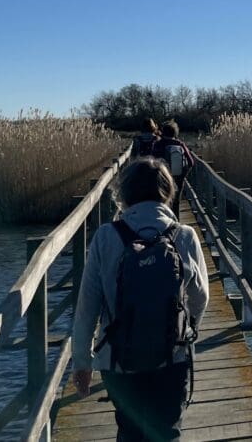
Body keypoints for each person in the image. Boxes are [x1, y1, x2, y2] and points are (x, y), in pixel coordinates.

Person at [72, 157, 210, 442]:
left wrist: (82, 363)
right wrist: (184, 329)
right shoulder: (184, 235)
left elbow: (87, 308)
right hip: (172, 357)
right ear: (167, 190)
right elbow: (201, 296)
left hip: (120, 360)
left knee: (130, 431)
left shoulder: (105, 237)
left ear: (124, 192)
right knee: (167, 431)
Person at [151, 121, 195, 204]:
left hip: (162, 178)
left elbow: (152, 162)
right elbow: (191, 162)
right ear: (175, 132)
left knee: (164, 202)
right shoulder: (180, 144)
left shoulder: (158, 144)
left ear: (163, 132)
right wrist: (183, 174)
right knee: (176, 202)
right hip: (178, 177)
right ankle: (176, 216)